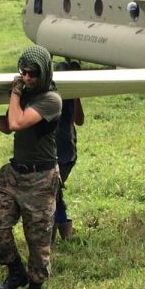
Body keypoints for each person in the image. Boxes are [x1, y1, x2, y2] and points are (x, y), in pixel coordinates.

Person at [0, 46, 62, 289]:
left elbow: (16, 123)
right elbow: (7, 127)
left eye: (32, 73)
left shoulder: (50, 99)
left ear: (44, 72)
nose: (26, 78)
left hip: (41, 178)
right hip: (15, 174)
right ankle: (15, 272)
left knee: (38, 238)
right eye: (22, 73)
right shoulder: (25, 94)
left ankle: (35, 288)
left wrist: (14, 91)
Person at [52, 61, 84, 245]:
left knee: (54, 190)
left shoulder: (72, 96)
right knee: (54, 191)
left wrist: (76, 95)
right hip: (47, 151)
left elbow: (79, 120)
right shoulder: (48, 95)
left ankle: (58, 230)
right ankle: (62, 228)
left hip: (65, 152)